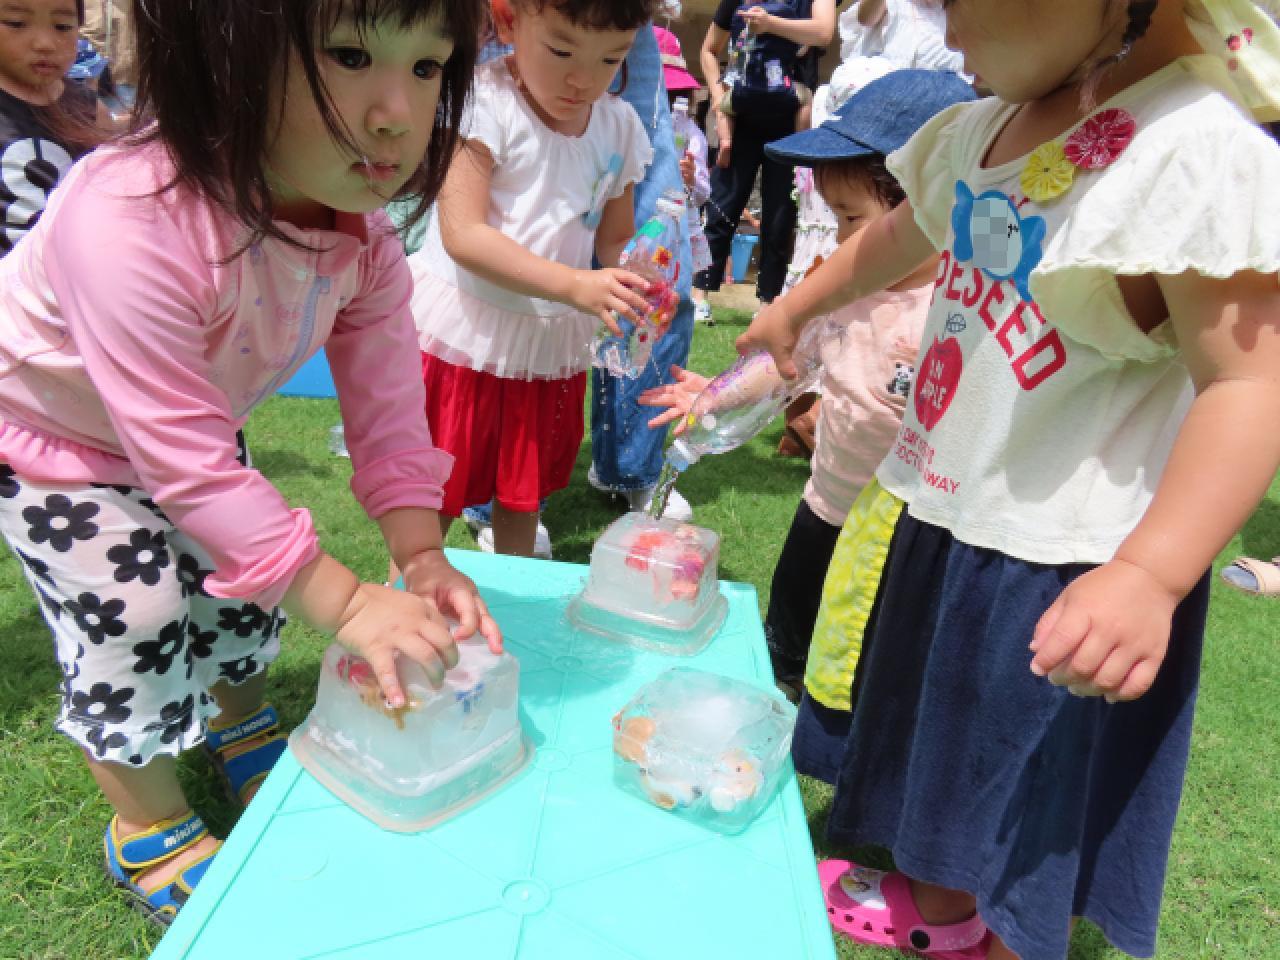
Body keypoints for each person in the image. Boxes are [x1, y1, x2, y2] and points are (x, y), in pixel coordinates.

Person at [740, 1, 1280, 957]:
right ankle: (938, 898)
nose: (950, 34)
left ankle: (978, 925)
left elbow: (1248, 383)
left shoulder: (1191, 147)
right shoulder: (980, 127)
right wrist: (792, 310)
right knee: (938, 737)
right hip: (947, 508)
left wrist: (1151, 574)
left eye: (968, 3)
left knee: (1015, 769)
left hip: (1067, 556)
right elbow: (896, 240)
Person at [0, 0, 499, 925]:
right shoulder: (128, 218)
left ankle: (242, 722)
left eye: (427, 67)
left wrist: (421, 552)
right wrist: (351, 606)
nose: (396, 112)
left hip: (190, 429)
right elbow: (188, 467)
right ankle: (147, 825)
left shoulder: (365, 241)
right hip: (54, 441)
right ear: (223, 58)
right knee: (134, 616)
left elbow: (391, 414)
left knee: (243, 586)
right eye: (350, 55)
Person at [639, 70, 974, 705]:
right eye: (835, 217)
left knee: (868, 663)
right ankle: (783, 696)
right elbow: (785, 359)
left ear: (928, 211)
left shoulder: (951, 309)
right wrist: (715, 394)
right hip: (823, 505)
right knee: (789, 639)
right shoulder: (839, 291)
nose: (843, 238)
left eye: (852, 218)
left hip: (898, 531)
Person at [406, 0, 659, 559]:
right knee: (437, 488)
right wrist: (575, 285)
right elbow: (464, 234)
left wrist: (637, 275)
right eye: (562, 50)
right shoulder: (483, 101)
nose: (582, 79)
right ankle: (410, 588)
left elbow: (614, 238)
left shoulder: (618, 126)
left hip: (545, 344)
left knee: (522, 495)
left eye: (610, 59)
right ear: (509, 21)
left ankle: (518, 597)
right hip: (467, 335)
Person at [584, 22, 697, 521]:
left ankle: (631, 467)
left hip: (626, 29)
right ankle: (497, 492)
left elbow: (622, 248)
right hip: (525, 20)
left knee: (660, 287)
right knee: (531, 251)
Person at [691, 0, 837, 317]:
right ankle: (700, 293)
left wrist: (770, 24)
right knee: (721, 206)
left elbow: (824, 32)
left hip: (790, 119)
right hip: (742, 111)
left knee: (780, 217)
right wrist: (718, 97)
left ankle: (768, 302)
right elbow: (708, 50)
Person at [0, 0, 108, 256]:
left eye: (62, 26)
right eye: (16, 23)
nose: (45, 44)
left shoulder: (92, 111)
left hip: (66, 272)